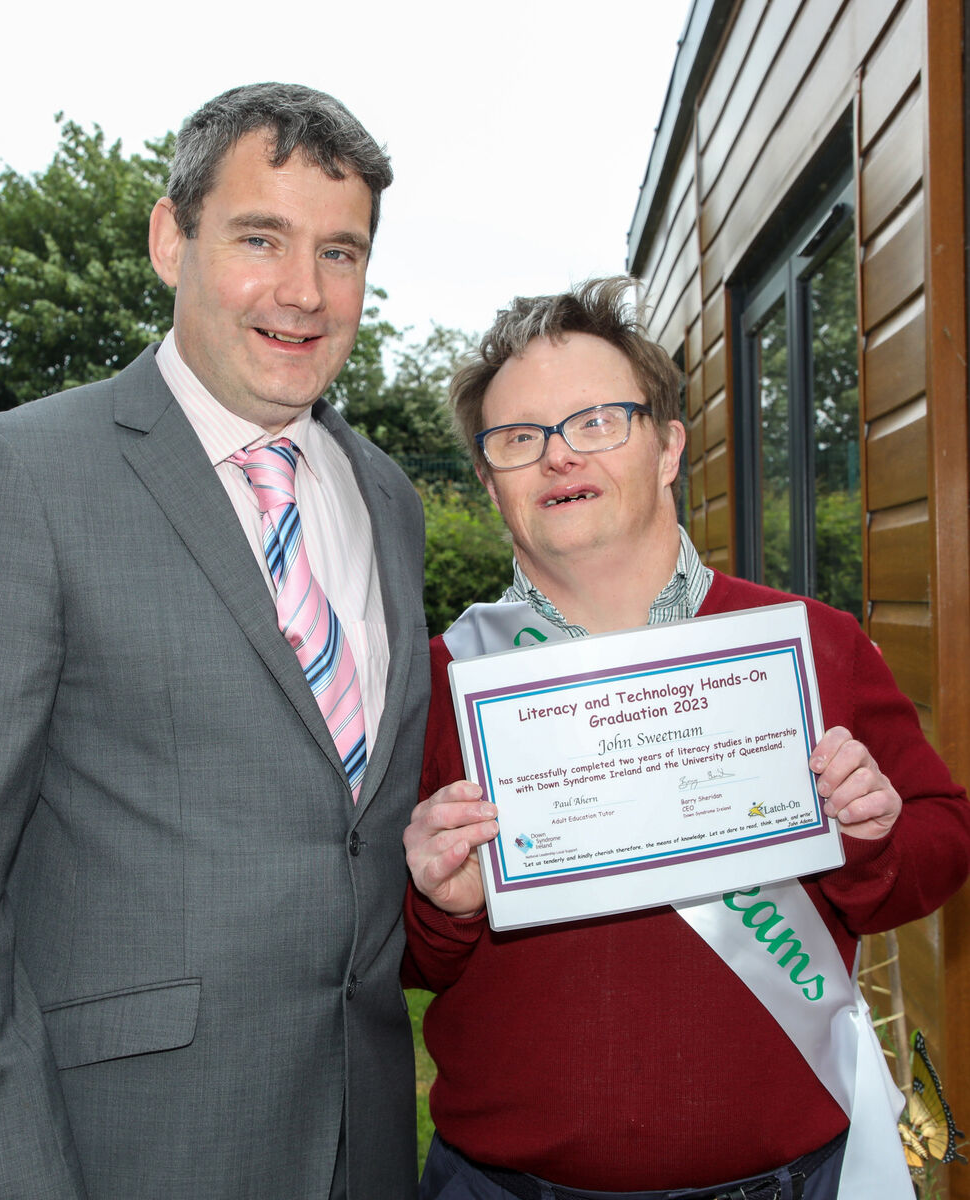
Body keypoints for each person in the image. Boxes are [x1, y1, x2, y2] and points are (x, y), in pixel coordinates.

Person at [0, 82, 429, 1200]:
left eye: (341, 251)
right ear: (171, 237)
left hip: (361, 1142)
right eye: (259, 238)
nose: (303, 293)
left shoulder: (386, 495)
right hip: (123, 1148)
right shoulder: (18, 475)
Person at [402, 276, 970, 1200]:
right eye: (517, 439)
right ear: (487, 476)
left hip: (786, 1180)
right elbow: (396, 956)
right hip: (502, 1188)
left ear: (666, 445)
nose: (556, 457)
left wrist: (867, 836)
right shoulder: (437, 683)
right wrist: (442, 903)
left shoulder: (808, 644)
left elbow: (941, 844)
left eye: (595, 421)